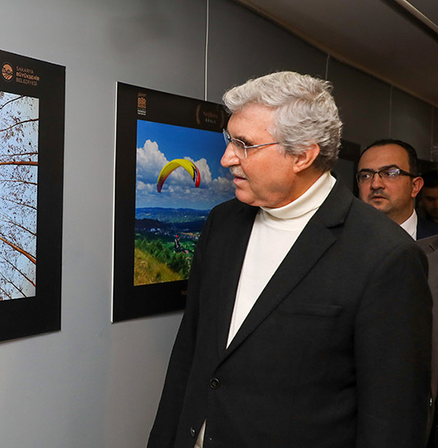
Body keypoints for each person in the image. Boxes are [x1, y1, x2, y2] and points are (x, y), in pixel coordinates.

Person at [147, 71, 431, 448]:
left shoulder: (387, 256)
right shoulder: (223, 223)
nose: (226, 158)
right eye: (229, 140)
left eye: (244, 144)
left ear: (302, 154)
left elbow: (392, 417)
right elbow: (190, 352)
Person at [357, 139, 438, 239]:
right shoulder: (342, 240)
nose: (375, 184)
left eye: (390, 174)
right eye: (366, 176)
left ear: (415, 186)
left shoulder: (434, 238)